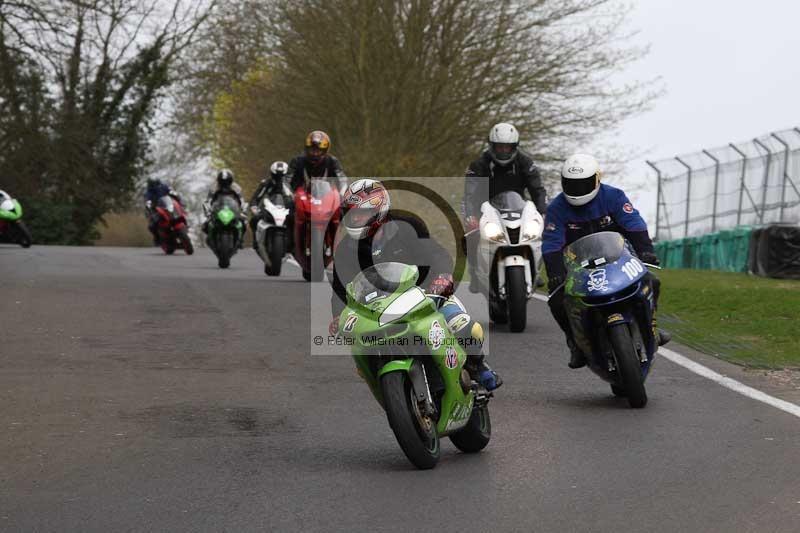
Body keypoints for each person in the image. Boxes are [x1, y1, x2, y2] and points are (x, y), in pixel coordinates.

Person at [329, 178, 502, 391]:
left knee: (460, 324)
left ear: (379, 210)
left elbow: (436, 254)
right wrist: (338, 316)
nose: (356, 219)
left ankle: (478, 365)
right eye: (351, 214)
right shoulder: (345, 250)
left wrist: (442, 277)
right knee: (360, 350)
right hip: (377, 309)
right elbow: (340, 290)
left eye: (362, 213)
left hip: (426, 293)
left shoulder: (406, 227)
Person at [542, 153, 670, 369]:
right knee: (556, 300)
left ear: (596, 180)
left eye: (583, 184)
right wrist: (555, 273)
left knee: (652, 281)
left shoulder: (613, 196)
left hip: (618, 259)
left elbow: (634, 223)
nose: (578, 189)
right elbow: (551, 242)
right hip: (579, 267)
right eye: (572, 184)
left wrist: (646, 252)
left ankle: (652, 329)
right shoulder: (557, 208)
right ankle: (575, 343)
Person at [463, 123, 548, 290]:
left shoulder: (525, 162)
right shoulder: (478, 165)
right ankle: (474, 272)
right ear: (492, 146)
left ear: (514, 147)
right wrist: (471, 215)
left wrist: (542, 211)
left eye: (507, 147)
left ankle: (535, 270)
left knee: (540, 232)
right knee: (470, 235)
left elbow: (538, 190)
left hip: (518, 208)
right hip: (485, 210)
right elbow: (470, 195)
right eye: (499, 147)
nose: (503, 151)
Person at [287, 130, 348, 196]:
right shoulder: (297, 161)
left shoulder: (332, 161)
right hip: (298, 200)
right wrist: (289, 195)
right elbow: (286, 181)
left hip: (326, 200)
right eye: (312, 150)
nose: (315, 154)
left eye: (318, 150)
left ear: (324, 151)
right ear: (307, 149)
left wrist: (342, 194)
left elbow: (342, 180)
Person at [248, 161, 292, 250]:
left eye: (282, 176)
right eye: (277, 176)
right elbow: (256, 197)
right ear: (272, 174)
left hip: (287, 210)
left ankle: (296, 243)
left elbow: (296, 197)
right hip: (269, 209)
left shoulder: (291, 185)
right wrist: (254, 207)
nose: (279, 179)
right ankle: (255, 241)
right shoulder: (266, 184)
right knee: (254, 219)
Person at [202, 169, 247, 247]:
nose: (224, 184)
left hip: (232, 209)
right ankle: (210, 237)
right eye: (222, 182)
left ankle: (240, 239)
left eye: (227, 182)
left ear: (231, 180)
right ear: (218, 180)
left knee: (243, 222)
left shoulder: (236, 187)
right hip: (217, 209)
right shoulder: (214, 188)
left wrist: (243, 210)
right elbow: (208, 201)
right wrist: (208, 211)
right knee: (205, 224)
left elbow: (242, 200)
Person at [143, 178, 183, 245]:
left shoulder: (164, 187)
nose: (155, 186)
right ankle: (157, 238)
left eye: (157, 184)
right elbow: (147, 201)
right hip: (156, 209)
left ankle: (184, 228)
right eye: (153, 184)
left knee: (180, 213)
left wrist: (177, 197)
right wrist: (149, 206)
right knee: (152, 225)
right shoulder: (148, 193)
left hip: (168, 206)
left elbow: (171, 192)